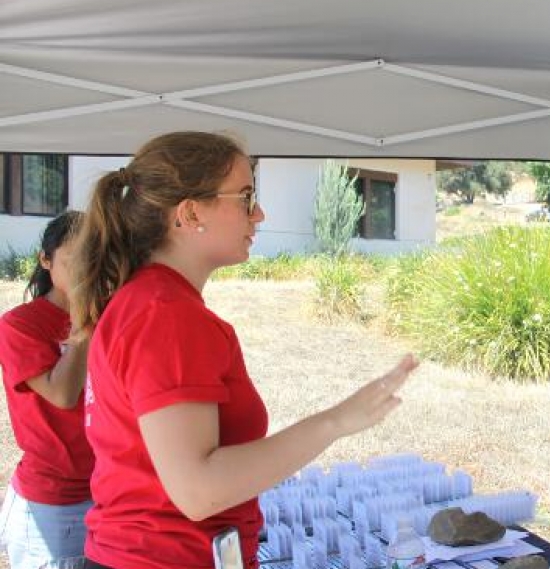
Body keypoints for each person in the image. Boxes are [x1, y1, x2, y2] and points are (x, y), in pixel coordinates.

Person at [70, 131, 418, 569]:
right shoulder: (167, 314)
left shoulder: (149, 302)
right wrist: (335, 422)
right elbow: (198, 490)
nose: (259, 214)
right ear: (190, 212)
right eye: (246, 196)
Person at [0, 211, 93, 569]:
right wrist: (86, 320)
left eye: (94, 258)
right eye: (75, 259)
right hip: (54, 501)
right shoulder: (20, 325)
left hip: (107, 489)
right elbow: (63, 394)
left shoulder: (111, 317)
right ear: (46, 259)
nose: (86, 270)